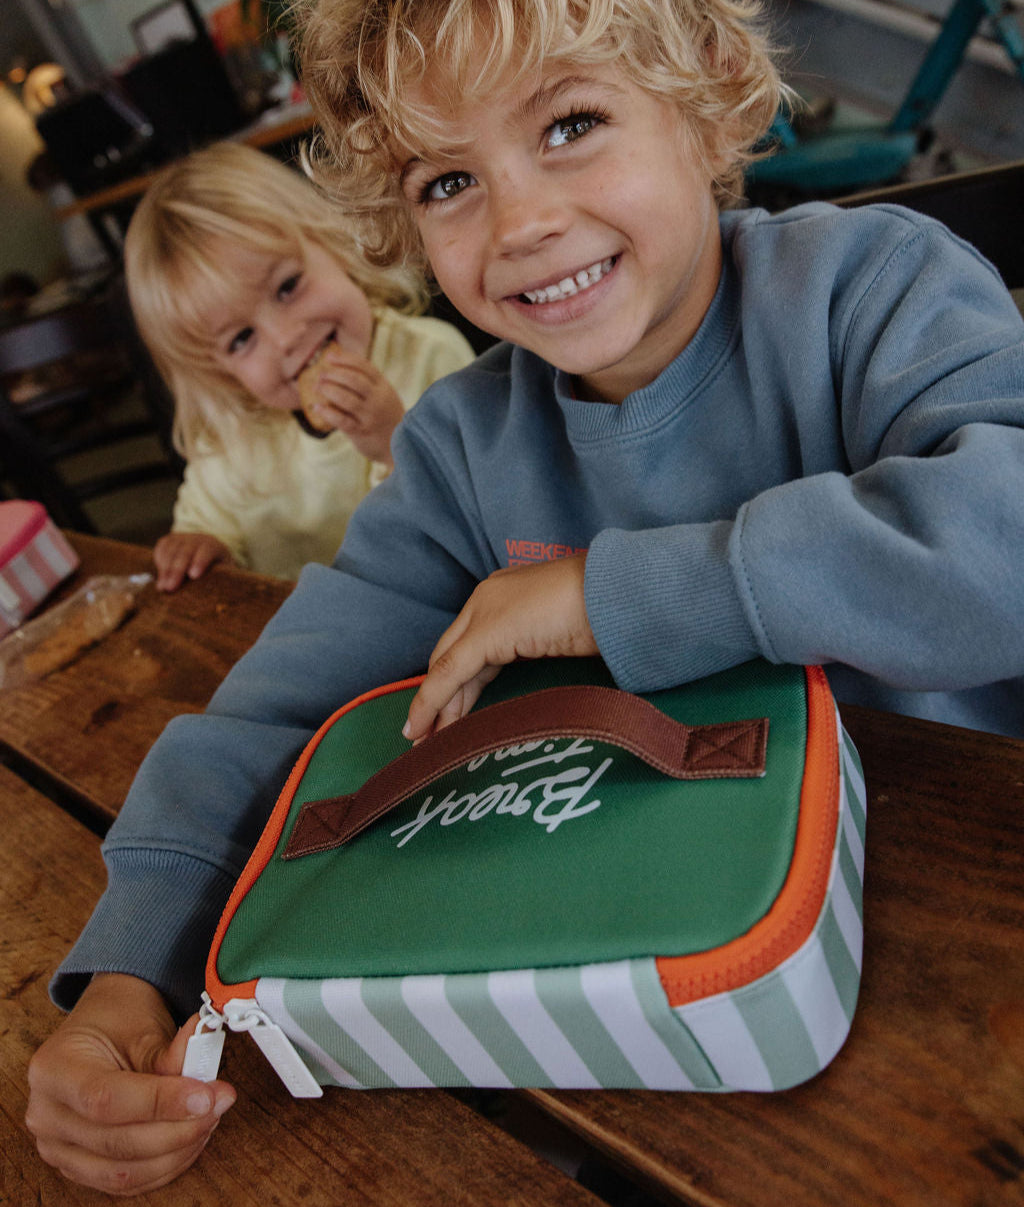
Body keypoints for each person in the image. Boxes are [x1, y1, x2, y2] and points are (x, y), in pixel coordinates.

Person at [26, 0, 1024, 1192]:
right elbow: (277, 711)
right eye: (446, 181)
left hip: (967, 959)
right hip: (641, 1003)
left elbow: (998, 537)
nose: (523, 222)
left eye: (571, 123)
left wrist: (607, 598)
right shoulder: (459, 448)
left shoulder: (872, 288)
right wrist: (133, 975)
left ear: (702, 97)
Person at [124, 141, 476, 588]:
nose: (287, 338)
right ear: (218, 373)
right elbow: (205, 523)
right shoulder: (234, 431)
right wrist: (201, 545)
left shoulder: (430, 356)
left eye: (288, 286)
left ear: (334, 244)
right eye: (242, 339)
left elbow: (483, 516)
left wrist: (395, 444)